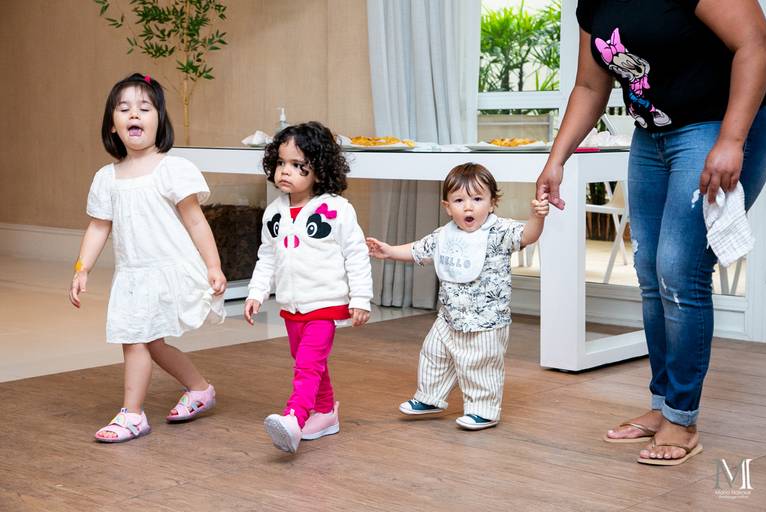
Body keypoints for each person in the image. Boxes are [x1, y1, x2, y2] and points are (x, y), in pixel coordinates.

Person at [535, 1, 766, 465]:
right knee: (648, 270)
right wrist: (556, 159)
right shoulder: (594, 2)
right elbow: (589, 84)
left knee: (679, 272)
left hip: (715, 125)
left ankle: (681, 417)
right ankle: (663, 405)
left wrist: (731, 140)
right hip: (653, 134)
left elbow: (756, 44)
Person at [69, 73, 226, 443]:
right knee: (150, 342)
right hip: (133, 273)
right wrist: (82, 267)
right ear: (113, 125)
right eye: (124, 109)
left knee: (136, 338)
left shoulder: (173, 168)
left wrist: (214, 265)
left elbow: (195, 220)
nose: (134, 114)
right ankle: (200, 388)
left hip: (169, 268)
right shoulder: (106, 177)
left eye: (144, 107)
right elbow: (98, 227)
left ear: (160, 120)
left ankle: (133, 414)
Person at [367, 163, 549, 430]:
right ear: (447, 206)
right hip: (449, 317)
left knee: (479, 365)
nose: (468, 207)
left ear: (492, 202)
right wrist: (390, 251)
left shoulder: (499, 232)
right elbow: (419, 250)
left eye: (477, 199)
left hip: (486, 322)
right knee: (433, 354)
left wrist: (537, 217)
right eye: (459, 200)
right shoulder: (445, 234)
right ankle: (430, 397)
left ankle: (483, 410)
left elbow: (528, 235)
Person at [244, 121, 373, 454]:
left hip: (325, 303)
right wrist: (257, 292)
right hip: (291, 305)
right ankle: (327, 412)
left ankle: (294, 417)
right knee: (308, 362)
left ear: (320, 170)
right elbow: (267, 256)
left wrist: (361, 298)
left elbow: (356, 254)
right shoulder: (273, 212)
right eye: (282, 163)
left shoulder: (337, 210)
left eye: (299, 166)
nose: (286, 171)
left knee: (307, 365)